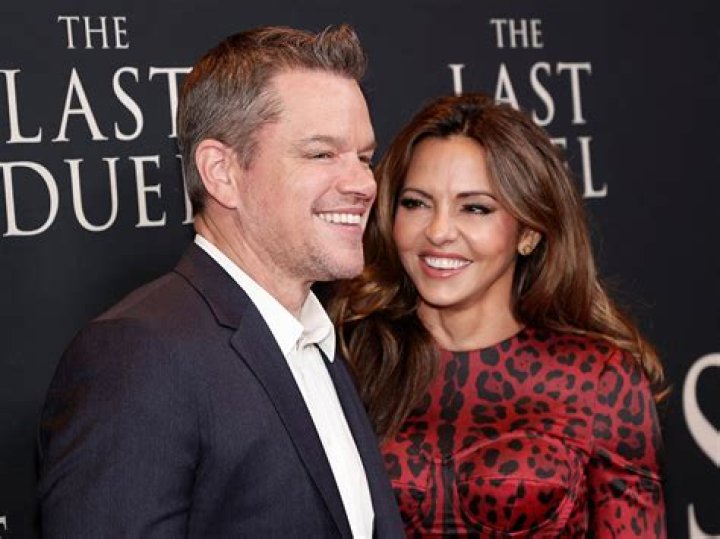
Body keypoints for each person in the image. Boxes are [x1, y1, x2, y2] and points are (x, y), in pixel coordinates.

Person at [38, 24, 403, 538]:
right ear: (221, 172)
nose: (364, 183)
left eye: (364, 157)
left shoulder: (314, 336)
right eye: (321, 154)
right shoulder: (139, 356)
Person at [330, 93, 666, 537]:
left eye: (475, 208)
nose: (439, 232)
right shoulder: (347, 356)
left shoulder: (599, 378)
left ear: (528, 232)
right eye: (416, 203)